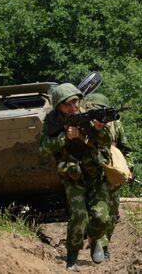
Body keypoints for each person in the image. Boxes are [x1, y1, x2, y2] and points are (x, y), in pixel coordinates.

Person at [40, 83, 112, 271]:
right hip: (72, 174)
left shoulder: (90, 113)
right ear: (59, 106)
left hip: (96, 172)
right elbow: (43, 148)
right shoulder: (52, 121)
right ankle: (72, 255)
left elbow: (107, 142)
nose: (73, 107)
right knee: (79, 216)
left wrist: (99, 129)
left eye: (76, 102)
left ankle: (94, 239)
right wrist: (65, 137)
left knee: (101, 218)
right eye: (68, 104)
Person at [82, 93, 134, 262]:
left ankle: (104, 246)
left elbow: (126, 149)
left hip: (112, 175)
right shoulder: (82, 125)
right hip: (92, 176)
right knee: (99, 214)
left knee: (111, 215)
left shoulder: (115, 125)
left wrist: (128, 168)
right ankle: (95, 239)